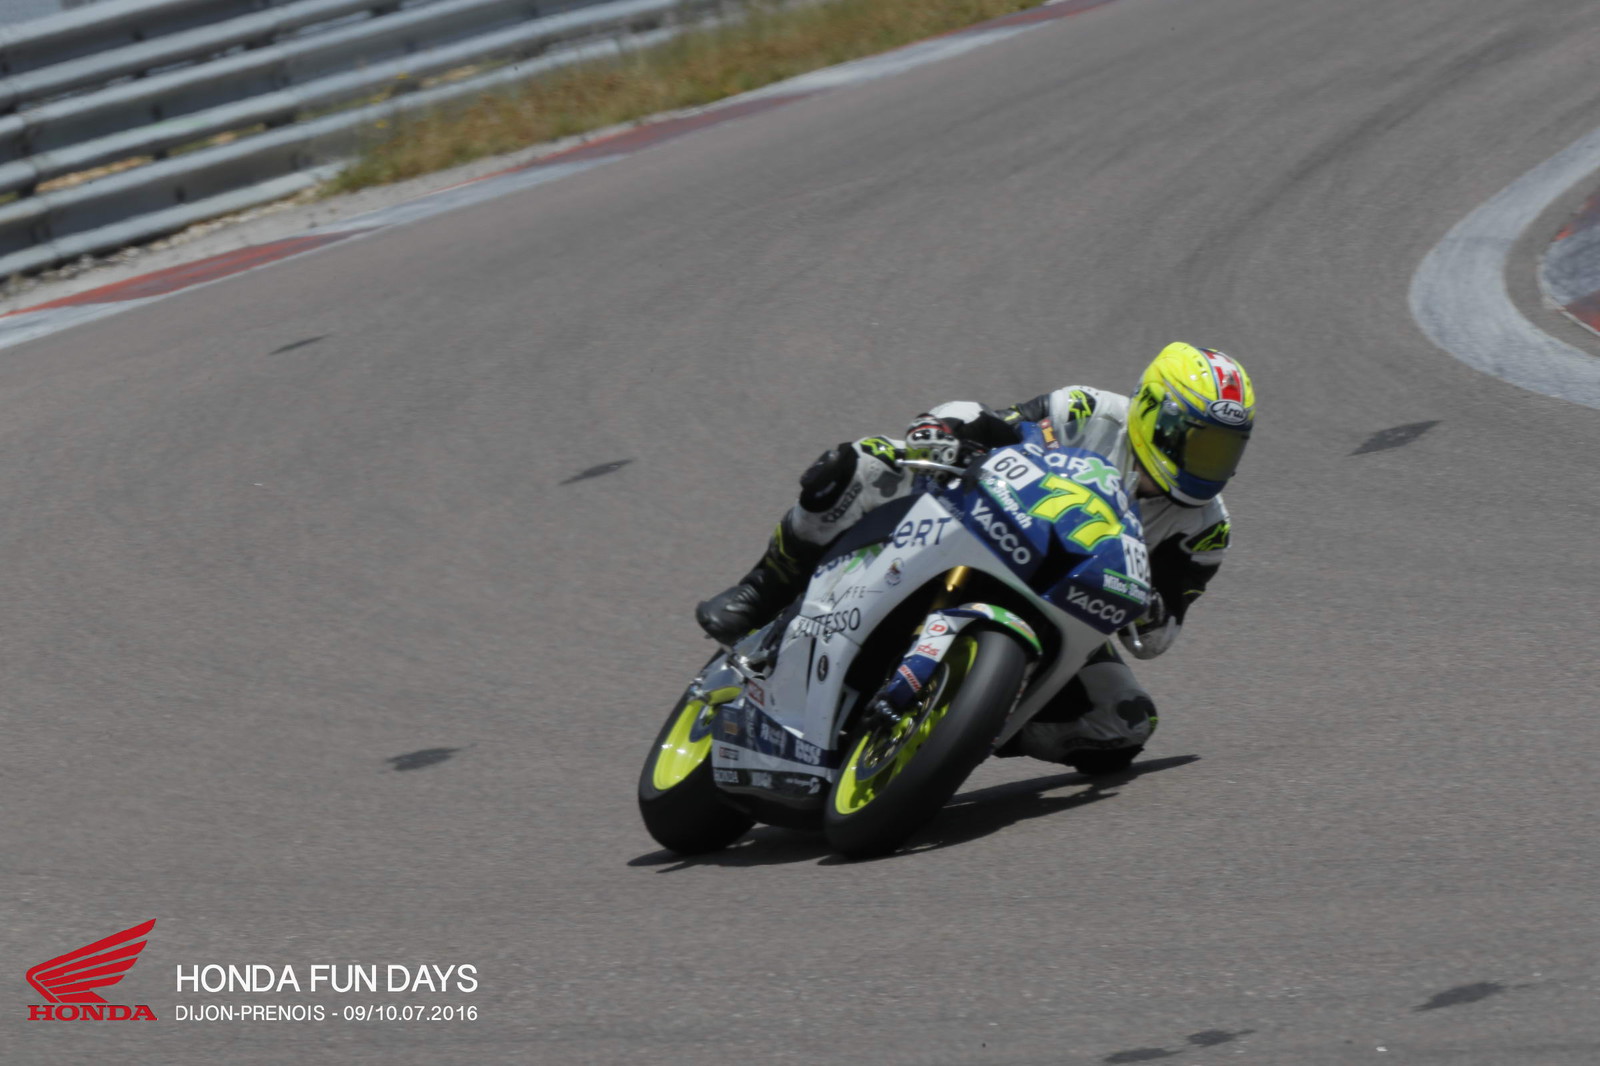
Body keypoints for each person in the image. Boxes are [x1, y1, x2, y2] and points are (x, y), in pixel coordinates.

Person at [695, 342, 1254, 775]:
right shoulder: (1087, 411)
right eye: (1201, 443)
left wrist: (1147, 607)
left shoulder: (1206, 530)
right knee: (862, 463)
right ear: (1155, 415)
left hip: (1065, 604)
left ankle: (969, 722)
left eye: (1225, 450)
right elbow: (996, 426)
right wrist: (947, 430)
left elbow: (1158, 637)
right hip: (986, 528)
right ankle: (765, 585)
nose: (1211, 464)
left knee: (1124, 722)